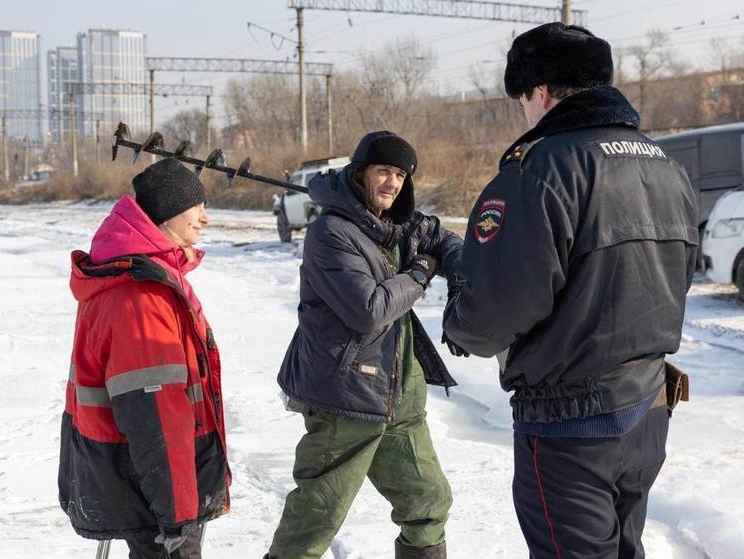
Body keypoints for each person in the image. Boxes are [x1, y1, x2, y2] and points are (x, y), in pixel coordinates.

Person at [442, 22, 698, 559]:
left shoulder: (540, 170)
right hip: (649, 406)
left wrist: (459, 323)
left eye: (522, 101)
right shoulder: (668, 168)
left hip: (572, 421)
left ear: (539, 92)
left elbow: (497, 307)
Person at [267, 131, 462, 559]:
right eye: (383, 172)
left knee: (428, 505)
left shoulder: (393, 224)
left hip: (400, 400)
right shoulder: (330, 233)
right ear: (360, 174)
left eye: (400, 175)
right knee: (316, 516)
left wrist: (464, 278)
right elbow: (369, 309)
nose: (392, 183)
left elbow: (442, 240)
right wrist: (420, 274)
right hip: (344, 397)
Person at [58, 158, 230, 559]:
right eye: (197, 205)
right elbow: (155, 414)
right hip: (155, 487)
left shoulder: (138, 276)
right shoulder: (141, 296)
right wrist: (177, 512)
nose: (205, 218)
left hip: (140, 477)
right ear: (169, 210)